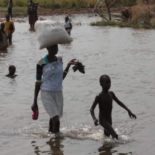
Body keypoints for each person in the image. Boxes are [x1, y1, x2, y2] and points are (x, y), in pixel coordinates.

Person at [31, 44, 76, 137]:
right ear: (47, 48)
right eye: (52, 47)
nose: (55, 49)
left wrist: (68, 66)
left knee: (54, 117)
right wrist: (35, 101)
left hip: (58, 92)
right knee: (56, 119)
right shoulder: (41, 62)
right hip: (46, 93)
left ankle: (51, 139)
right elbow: (38, 82)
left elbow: (60, 78)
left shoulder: (59, 59)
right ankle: (57, 145)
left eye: (56, 47)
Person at [90, 74, 136, 139]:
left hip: (109, 120)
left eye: (109, 82)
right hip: (103, 120)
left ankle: (104, 148)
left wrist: (128, 110)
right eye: (107, 82)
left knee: (107, 137)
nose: (108, 84)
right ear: (101, 84)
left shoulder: (111, 94)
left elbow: (119, 102)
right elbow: (91, 109)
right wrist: (94, 119)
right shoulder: (99, 96)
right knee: (115, 136)